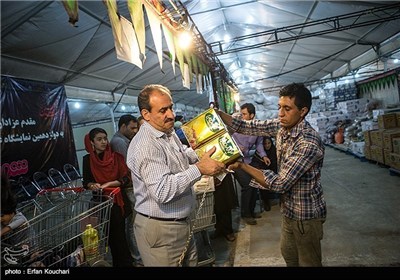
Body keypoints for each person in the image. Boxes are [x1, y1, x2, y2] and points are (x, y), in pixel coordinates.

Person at [218, 83, 327, 267]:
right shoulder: (282, 127)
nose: (280, 114)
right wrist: (220, 115)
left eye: (287, 108)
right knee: (290, 257)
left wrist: (243, 166)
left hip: (306, 217)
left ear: (303, 111)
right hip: (289, 211)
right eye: (279, 107)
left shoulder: (308, 142)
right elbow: (248, 126)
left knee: (309, 262)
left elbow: (280, 183)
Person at [126, 84, 225, 267]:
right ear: (146, 114)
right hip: (162, 231)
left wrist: (206, 154)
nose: (171, 115)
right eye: (163, 110)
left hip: (181, 224)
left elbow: (183, 155)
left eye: (170, 107)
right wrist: (199, 169)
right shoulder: (146, 145)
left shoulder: (167, 132)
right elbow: (162, 191)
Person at [82, 127, 134, 267]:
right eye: (99, 139)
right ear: (92, 142)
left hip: (117, 201)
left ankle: (126, 263)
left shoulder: (116, 157)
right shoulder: (87, 160)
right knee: (108, 236)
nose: (104, 142)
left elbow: (125, 179)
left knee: (120, 236)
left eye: (105, 138)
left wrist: (109, 184)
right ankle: (118, 262)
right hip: (101, 203)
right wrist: (92, 185)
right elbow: (86, 181)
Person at [109, 115, 143, 267]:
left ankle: (138, 255)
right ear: (123, 126)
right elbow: (130, 166)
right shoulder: (119, 142)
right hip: (129, 188)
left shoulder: (123, 140)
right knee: (133, 224)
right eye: (132, 128)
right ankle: (137, 257)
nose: (135, 131)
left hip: (131, 186)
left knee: (134, 223)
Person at [231, 103, 269, 225]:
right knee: (247, 185)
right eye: (241, 114)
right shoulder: (237, 127)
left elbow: (259, 144)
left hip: (248, 161)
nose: (242, 117)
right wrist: (236, 148)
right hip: (236, 162)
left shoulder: (257, 129)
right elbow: (227, 140)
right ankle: (245, 214)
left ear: (252, 115)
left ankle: (251, 212)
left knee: (254, 184)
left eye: (244, 114)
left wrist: (264, 155)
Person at [249, 136, 278, 211]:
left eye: (269, 143)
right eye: (265, 144)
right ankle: (266, 202)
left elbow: (275, 165)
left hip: (273, 173)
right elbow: (254, 164)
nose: (267, 145)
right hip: (261, 173)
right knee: (263, 182)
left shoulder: (274, 151)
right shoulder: (259, 153)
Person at [211, 174, 237, 242]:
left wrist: (219, 176)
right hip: (210, 175)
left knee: (224, 202)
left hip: (223, 174)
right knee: (215, 203)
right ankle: (219, 229)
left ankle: (228, 231)